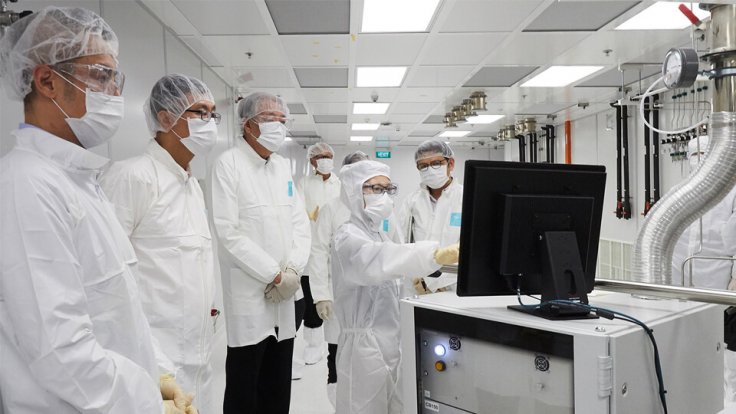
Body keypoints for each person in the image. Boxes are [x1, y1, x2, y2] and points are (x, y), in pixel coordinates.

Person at [0, 7, 191, 414]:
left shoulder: (80, 181)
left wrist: (153, 375)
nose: (115, 92)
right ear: (47, 80)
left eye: (115, 78)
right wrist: (147, 404)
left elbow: (115, 310)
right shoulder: (27, 185)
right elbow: (59, 349)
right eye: (101, 75)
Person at [100, 74, 220, 414]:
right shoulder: (131, 177)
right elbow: (108, 288)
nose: (210, 122)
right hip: (153, 366)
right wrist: (160, 377)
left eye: (213, 113)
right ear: (166, 118)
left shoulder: (190, 185)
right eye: (200, 112)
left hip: (198, 362)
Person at [331, 160, 460, 413]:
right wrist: (434, 255)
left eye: (388, 189)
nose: (385, 196)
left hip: (389, 342)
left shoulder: (377, 234)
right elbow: (379, 260)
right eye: (376, 189)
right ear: (355, 192)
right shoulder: (347, 236)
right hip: (362, 348)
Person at [210, 92, 311, 413]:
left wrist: (293, 271)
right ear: (247, 124)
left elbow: (300, 223)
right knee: (245, 387)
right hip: (251, 298)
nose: (279, 126)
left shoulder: (281, 167)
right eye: (270, 119)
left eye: (283, 120)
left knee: (278, 386)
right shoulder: (228, 164)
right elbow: (228, 232)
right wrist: (276, 274)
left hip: (287, 295)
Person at [670, 135, 736, 401]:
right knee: (689, 350)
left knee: (725, 357)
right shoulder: (679, 192)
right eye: (693, 156)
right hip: (681, 288)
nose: (699, 163)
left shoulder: (731, 193)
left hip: (718, 290)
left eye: (704, 156)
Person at [308, 150, 369, 406]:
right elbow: (318, 251)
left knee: (367, 360)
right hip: (338, 296)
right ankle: (339, 406)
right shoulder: (332, 208)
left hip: (369, 299)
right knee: (336, 359)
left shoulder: (378, 207)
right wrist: (321, 295)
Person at [397, 140, 463, 294]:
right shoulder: (411, 201)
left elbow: (474, 249)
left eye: (436, 163)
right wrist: (419, 278)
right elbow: (402, 243)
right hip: (418, 285)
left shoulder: (467, 198)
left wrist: (439, 281)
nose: (430, 170)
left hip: (454, 285)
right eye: (423, 166)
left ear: (450, 164)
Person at [298, 142, 341, 365]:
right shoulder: (304, 183)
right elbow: (295, 211)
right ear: (312, 161)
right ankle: (313, 345)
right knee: (311, 300)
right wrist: (306, 216)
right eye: (321, 156)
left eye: (329, 155)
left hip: (336, 251)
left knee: (334, 297)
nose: (325, 159)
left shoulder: (340, 184)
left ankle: (334, 343)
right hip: (311, 249)